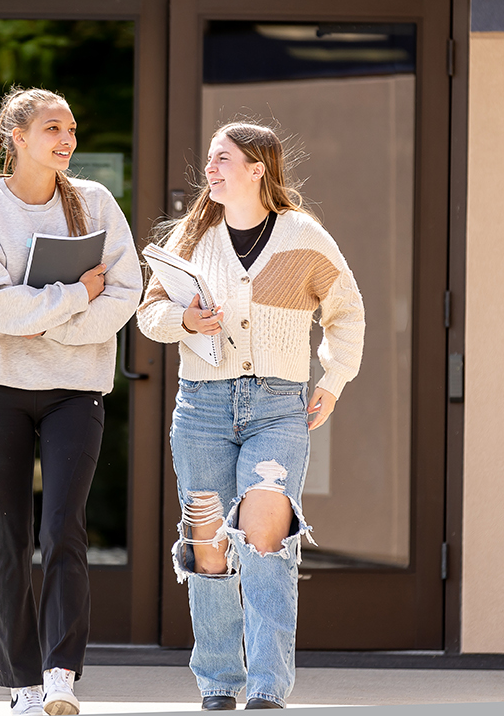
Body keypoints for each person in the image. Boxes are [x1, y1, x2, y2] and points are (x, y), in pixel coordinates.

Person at [137, 122, 365, 710]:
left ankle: (267, 687)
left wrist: (333, 380)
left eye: (222, 159)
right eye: (210, 159)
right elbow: (149, 313)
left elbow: (347, 312)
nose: (209, 169)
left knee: (265, 542)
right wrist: (183, 322)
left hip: (276, 407)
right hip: (202, 407)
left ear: (258, 167)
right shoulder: (190, 236)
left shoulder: (303, 237)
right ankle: (219, 684)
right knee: (209, 546)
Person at [0, 87, 143, 716]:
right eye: (53, 129)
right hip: (0, 387)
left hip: (75, 391)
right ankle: (22, 684)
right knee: (9, 534)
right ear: (17, 136)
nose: (67, 140)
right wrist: (72, 296)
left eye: (72, 128)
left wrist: (52, 322)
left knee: (63, 528)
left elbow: (125, 295)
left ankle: (62, 675)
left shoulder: (93, 203)